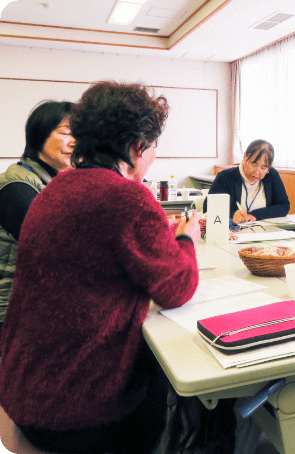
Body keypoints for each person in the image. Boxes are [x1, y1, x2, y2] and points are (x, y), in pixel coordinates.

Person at [0, 81, 221, 454]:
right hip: (78, 411)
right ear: (137, 148)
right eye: (153, 149)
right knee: (186, 382)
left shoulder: (55, 187)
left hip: (24, 391)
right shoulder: (126, 197)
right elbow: (178, 287)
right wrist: (186, 239)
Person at [0, 100, 74, 336]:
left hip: (34, 303)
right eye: (66, 133)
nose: (75, 142)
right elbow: (61, 250)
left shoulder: (52, 181)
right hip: (11, 314)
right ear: (38, 136)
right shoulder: (17, 187)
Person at [205, 139, 290, 223]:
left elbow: (284, 206)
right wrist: (231, 215)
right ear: (245, 157)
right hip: (233, 232)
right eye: (253, 165)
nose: (257, 172)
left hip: (262, 231)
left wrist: (256, 215)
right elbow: (208, 208)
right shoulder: (225, 177)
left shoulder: (271, 175)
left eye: (263, 168)